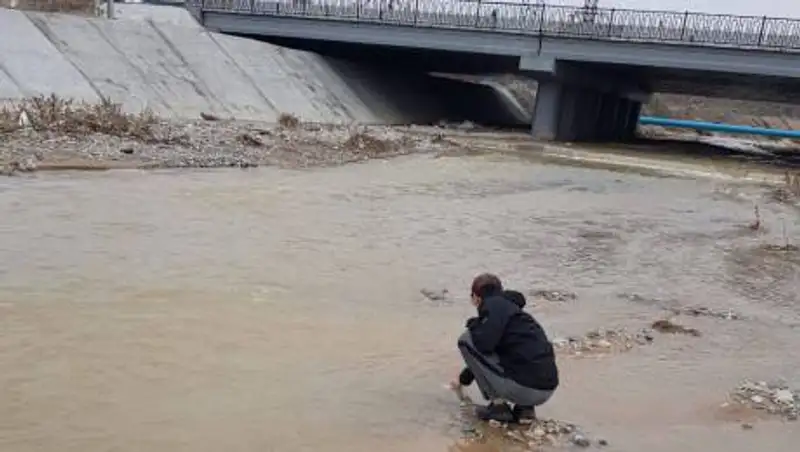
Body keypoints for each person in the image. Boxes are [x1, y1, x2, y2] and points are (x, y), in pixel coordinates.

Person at [451, 273, 559, 423]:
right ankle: (525, 410)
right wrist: (463, 380)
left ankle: (498, 407)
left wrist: (474, 325)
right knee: (519, 354)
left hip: (524, 389)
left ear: (476, 297)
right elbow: (486, 359)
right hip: (547, 389)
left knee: (466, 339)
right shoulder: (516, 314)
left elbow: (482, 346)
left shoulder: (493, 307)